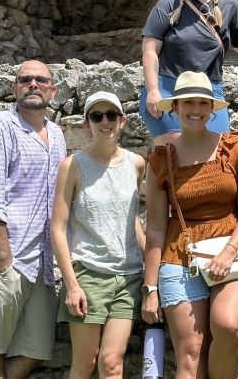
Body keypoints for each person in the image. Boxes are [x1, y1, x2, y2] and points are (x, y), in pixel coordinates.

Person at [141, 71, 238, 379]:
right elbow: (155, 228)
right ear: (175, 107)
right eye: (188, 102)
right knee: (191, 353)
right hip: (180, 255)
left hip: (234, 250)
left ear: (211, 108)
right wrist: (150, 288)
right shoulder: (161, 160)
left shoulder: (234, 148)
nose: (195, 109)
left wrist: (229, 252)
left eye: (202, 103)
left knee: (228, 325)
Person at [0, 60, 67, 379]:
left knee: (36, 350)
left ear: (53, 90)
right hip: (4, 258)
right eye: (25, 79)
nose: (33, 84)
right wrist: (5, 261)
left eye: (40, 80)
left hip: (40, 264)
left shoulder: (58, 135)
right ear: (14, 89)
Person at [51, 91, 146, 379]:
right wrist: (72, 284)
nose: (105, 122)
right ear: (86, 124)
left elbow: (133, 220)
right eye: (97, 116)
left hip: (129, 277)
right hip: (90, 275)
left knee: (112, 361)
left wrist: (153, 274)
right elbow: (57, 227)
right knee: (85, 362)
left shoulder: (137, 164)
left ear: (122, 121)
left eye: (111, 115)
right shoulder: (73, 166)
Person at [140, 0, 238, 145]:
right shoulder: (167, 4)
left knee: (219, 154)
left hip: (210, 92)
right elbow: (150, 50)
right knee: (176, 156)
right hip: (169, 89)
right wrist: (153, 90)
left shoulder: (230, 7)